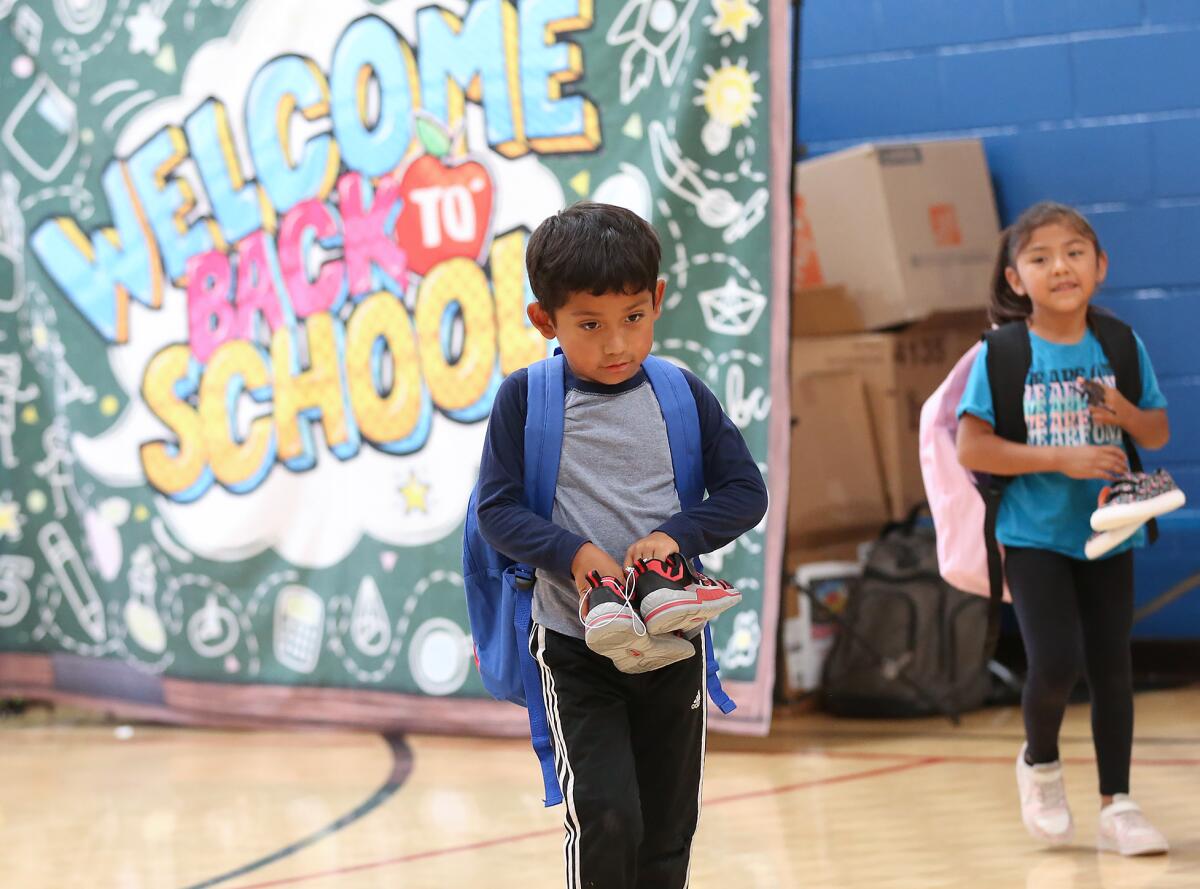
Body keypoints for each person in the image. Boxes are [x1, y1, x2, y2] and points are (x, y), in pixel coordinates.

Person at [475, 202, 768, 887]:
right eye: (590, 324)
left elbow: (743, 492)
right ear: (543, 319)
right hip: (575, 645)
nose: (616, 345)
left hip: (672, 645)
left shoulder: (680, 393)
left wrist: (676, 536)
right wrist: (574, 554)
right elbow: (496, 509)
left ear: (658, 299)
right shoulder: (525, 400)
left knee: (668, 829)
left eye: (634, 317)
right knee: (607, 814)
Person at [956, 201, 1172, 856]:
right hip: (1034, 533)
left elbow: (1157, 430)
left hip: (1111, 528)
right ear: (1016, 277)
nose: (1061, 266)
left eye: (1075, 252)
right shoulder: (1002, 352)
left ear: (1100, 267)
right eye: (1041, 256)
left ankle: (1119, 803)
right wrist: (1062, 457)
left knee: (1113, 665)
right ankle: (1041, 764)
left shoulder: (1119, 343)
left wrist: (1125, 411)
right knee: (1055, 660)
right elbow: (973, 448)